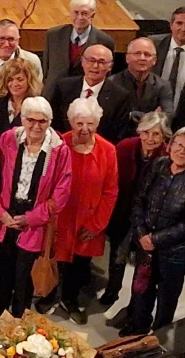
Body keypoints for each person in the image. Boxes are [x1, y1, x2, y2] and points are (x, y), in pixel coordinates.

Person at [0, 97, 71, 329]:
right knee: (5, 268)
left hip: (35, 218)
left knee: (24, 274)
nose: (36, 126)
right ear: (22, 119)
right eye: (31, 120)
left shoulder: (59, 150)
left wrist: (31, 218)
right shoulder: (8, 139)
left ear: (50, 122)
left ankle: (18, 319)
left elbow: (61, 194)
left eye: (42, 121)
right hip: (7, 213)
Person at [121, 126, 185, 337]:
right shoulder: (158, 165)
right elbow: (139, 199)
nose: (181, 151)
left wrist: (155, 239)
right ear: (170, 145)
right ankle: (137, 328)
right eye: (178, 145)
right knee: (142, 291)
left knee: (166, 299)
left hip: (175, 254)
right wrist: (141, 233)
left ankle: (159, 336)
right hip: (145, 243)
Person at [49, 98, 118, 323]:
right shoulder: (59, 143)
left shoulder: (108, 150)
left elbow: (111, 191)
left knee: (79, 265)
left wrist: (97, 224)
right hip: (59, 217)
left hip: (89, 220)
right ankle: (49, 295)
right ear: (71, 122)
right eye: (79, 124)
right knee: (52, 260)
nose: (85, 129)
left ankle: (70, 299)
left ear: (97, 123)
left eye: (90, 124)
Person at [101, 112, 172, 307]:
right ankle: (112, 290)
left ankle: (135, 302)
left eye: (156, 134)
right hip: (123, 213)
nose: (150, 139)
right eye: (146, 133)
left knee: (143, 262)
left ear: (164, 136)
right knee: (118, 255)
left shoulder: (168, 156)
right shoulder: (125, 148)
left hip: (148, 220)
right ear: (139, 132)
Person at [45, 44, 133, 141]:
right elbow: (54, 123)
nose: (95, 66)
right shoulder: (63, 87)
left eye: (101, 62)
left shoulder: (120, 96)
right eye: (91, 60)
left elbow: (117, 134)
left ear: (110, 66)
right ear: (82, 61)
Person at [0, 57, 42, 148]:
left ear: (29, 81)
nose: (15, 84)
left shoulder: (37, 106)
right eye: (10, 80)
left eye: (20, 79)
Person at [43, 0, 116, 81]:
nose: (79, 17)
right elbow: (46, 68)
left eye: (84, 13)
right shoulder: (53, 35)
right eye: (76, 13)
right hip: (54, 91)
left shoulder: (104, 40)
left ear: (92, 16)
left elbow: (106, 74)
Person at [109, 37, 174, 122]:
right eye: (137, 53)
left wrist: (131, 115)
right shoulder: (112, 83)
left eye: (147, 54)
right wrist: (153, 116)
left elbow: (167, 116)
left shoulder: (163, 86)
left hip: (150, 134)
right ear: (127, 58)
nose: (142, 58)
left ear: (154, 60)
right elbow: (111, 115)